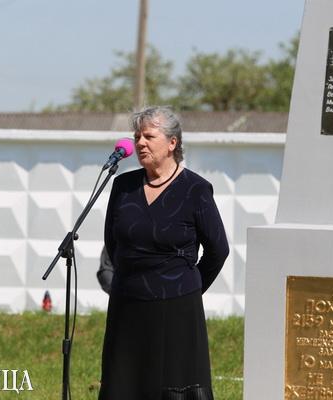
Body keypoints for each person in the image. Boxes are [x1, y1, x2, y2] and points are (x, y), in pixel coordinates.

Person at [99, 106, 229, 400]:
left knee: (171, 385)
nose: (140, 143)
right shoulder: (123, 186)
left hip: (176, 308)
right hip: (127, 305)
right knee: (125, 385)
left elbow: (218, 249)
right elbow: (113, 242)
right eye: (137, 137)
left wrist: (187, 286)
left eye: (149, 136)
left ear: (172, 142)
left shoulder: (195, 189)